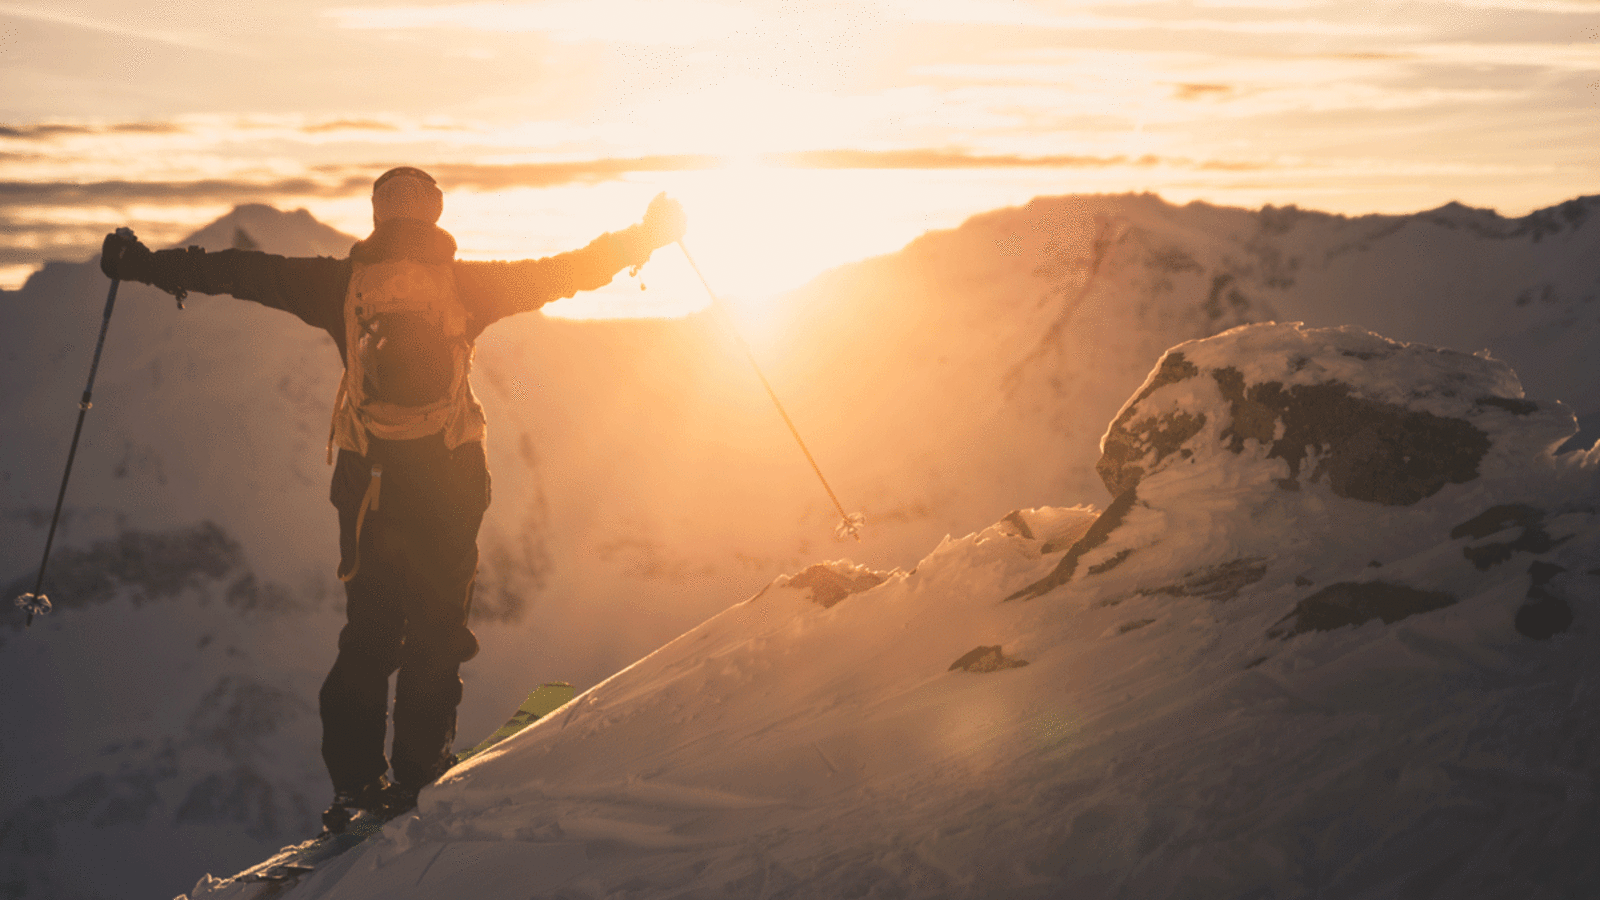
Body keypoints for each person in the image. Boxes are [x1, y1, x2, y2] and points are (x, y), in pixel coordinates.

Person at [99, 167, 687, 828]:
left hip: (367, 482)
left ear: (378, 217)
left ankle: (354, 786)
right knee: (435, 630)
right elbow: (565, 270)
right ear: (435, 217)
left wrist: (144, 264)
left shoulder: (337, 284)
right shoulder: (469, 286)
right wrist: (646, 237)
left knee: (369, 633)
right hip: (450, 476)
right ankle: (418, 774)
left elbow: (241, 272)